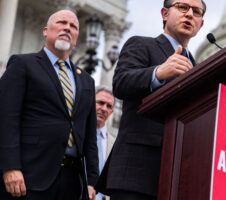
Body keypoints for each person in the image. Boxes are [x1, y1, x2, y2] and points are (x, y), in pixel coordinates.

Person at [96, 0, 206, 199]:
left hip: (180, 180)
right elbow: (120, 83)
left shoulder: (200, 70)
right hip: (137, 173)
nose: (189, 14)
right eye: (182, 7)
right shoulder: (141, 44)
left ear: (201, 24)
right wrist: (158, 73)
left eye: (196, 12)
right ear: (164, 13)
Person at [0, 10, 98, 200]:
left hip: (71, 181)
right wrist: (10, 166)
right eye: (61, 23)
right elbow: (5, 117)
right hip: (28, 177)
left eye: (73, 26)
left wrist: (91, 180)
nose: (67, 28)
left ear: (76, 37)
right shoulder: (23, 64)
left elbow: (89, 134)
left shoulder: (86, 80)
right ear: (46, 31)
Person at [94, 86, 115, 200]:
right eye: (100, 103)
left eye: (109, 106)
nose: (104, 109)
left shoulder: (114, 143)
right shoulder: (76, 135)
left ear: (112, 112)